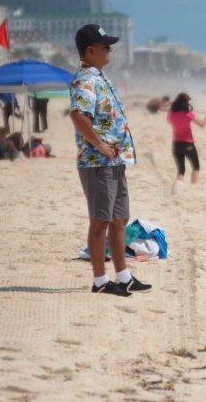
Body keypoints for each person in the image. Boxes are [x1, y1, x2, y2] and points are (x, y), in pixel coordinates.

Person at [69, 24, 150, 298]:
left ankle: (123, 276)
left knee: (119, 219)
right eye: (104, 46)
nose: (109, 49)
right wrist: (101, 146)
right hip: (97, 162)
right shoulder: (85, 79)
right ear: (90, 50)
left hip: (114, 160)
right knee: (100, 221)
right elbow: (78, 116)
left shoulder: (99, 76)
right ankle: (100, 281)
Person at [167, 93, 206, 184]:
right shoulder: (188, 114)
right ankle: (193, 187)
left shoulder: (171, 114)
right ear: (185, 103)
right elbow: (202, 124)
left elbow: (169, 121)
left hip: (176, 144)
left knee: (181, 170)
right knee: (196, 166)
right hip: (188, 144)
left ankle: (179, 187)